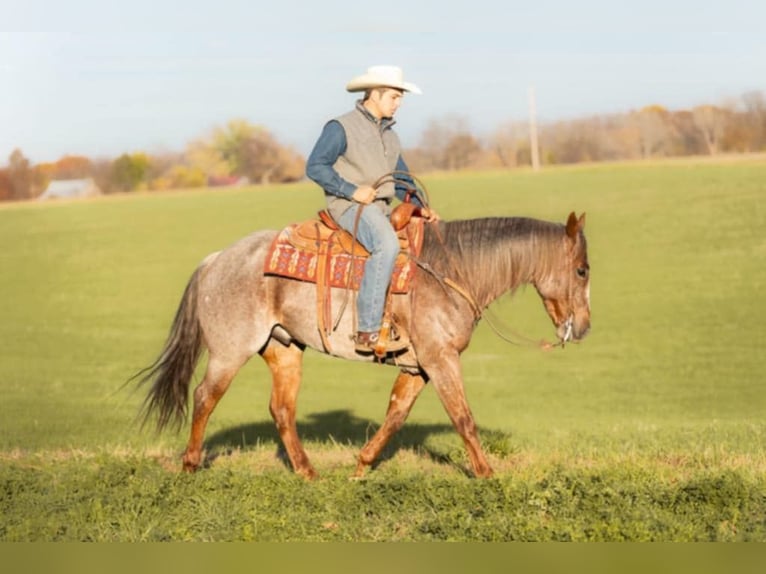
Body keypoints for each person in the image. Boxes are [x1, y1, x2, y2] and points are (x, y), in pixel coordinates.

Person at [306, 65, 438, 355]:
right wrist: (352, 191)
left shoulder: (390, 136)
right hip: (349, 206)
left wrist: (421, 209)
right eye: (394, 96)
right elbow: (315, 166)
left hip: (380, 208)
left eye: (400, 97)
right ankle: (367, 328)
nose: (399, 103)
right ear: (375, 95)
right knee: (386, 244)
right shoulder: (340, 127)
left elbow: (400, 180)